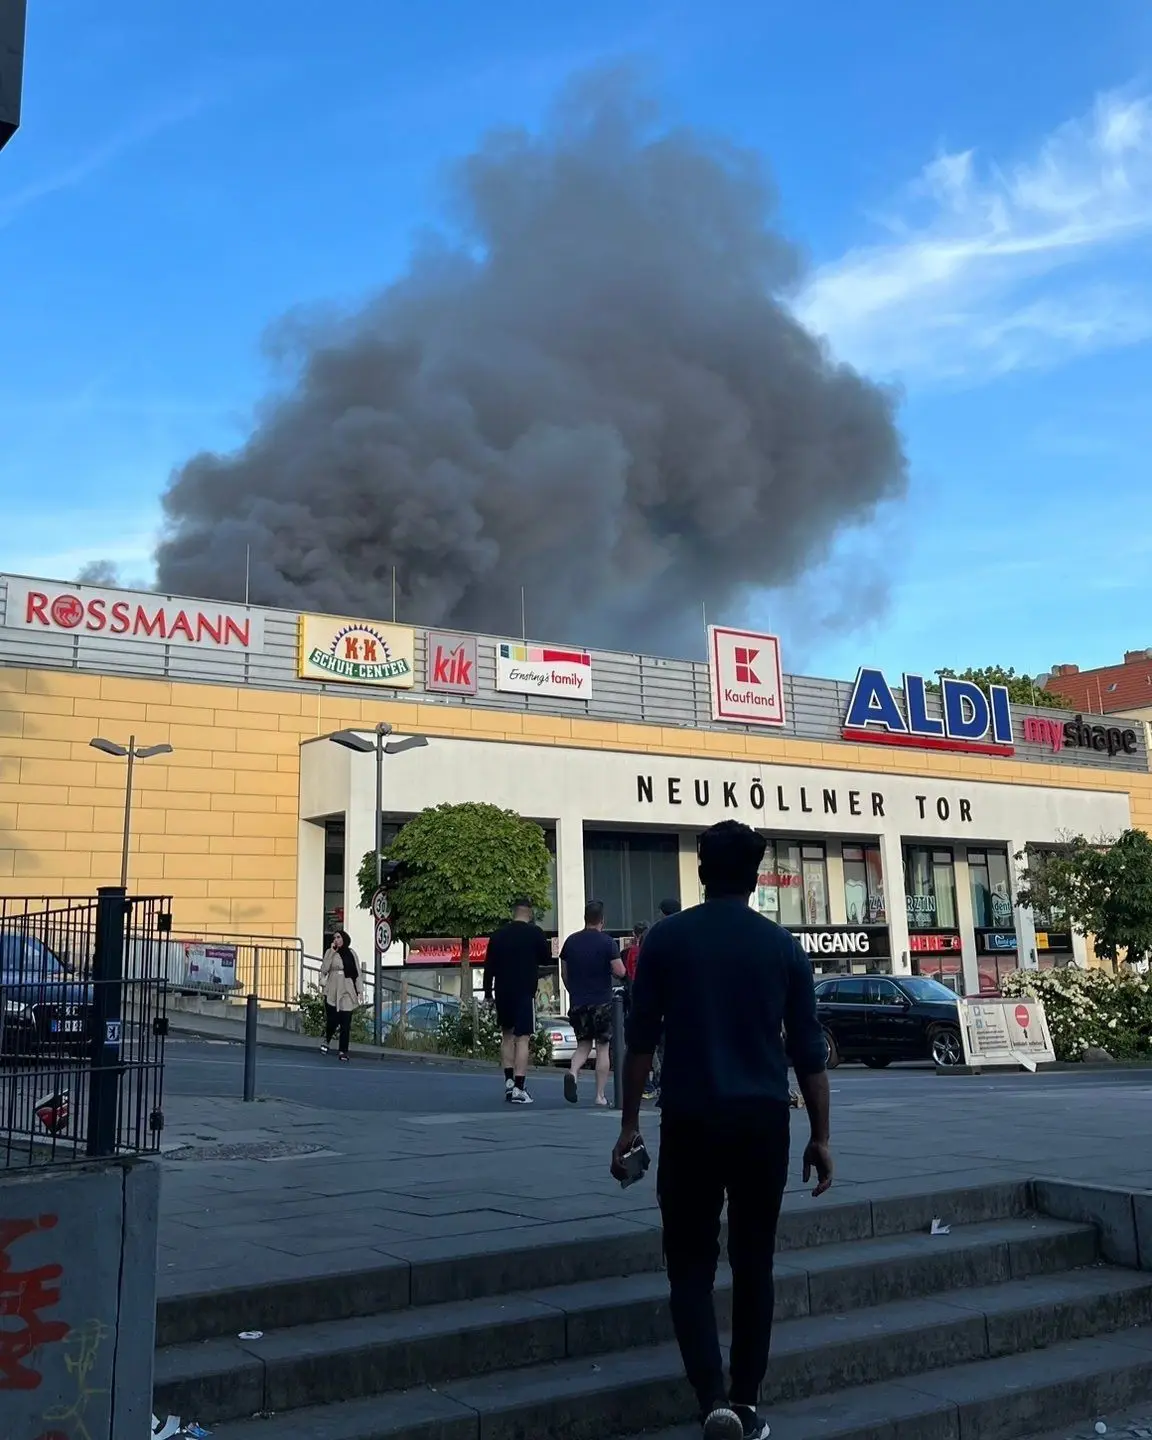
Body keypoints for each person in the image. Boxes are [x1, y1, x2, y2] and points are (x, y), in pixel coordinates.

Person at [611, 821, 833, 1440]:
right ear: (757, 875)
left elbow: (640, 1044)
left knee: (689, 1265)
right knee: (754, 1263)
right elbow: (809, 1053)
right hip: (763, 1122)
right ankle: (749, 1401)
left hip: (690, 1119)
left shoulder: (666, 941)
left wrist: (629, 1123)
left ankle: (713, 1401)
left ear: (703, 871)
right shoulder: (783, 948)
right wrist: (821, 1136)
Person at [483, 898, 551, 1105]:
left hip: (503, 991)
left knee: (507, 1035)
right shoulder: (535, 933)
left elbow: (489, 967)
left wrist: (488, 993)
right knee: (523, 1038)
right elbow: (546, 959)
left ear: (513, 912)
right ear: (529, 913)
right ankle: (520, 1088)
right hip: (524, 992)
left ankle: (509, 1082)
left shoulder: (498, 935)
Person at [560, 901, 626, 1107]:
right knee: (603, 1047)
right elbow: (620, 971)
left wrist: (573, 990)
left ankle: (572, 1072)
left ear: (585, 918)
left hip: (579, 1002)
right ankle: (599, 1096)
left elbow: (564, 972)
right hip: (602, 1003)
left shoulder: (571, 942)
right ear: (602, 920)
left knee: (583, 1045)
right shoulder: (607, 943)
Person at [319, 930, 362, 1063]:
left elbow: (357, 973)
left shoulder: (351, 953)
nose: (336, 940)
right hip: (332, 988)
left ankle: (343, 1050)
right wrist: (331, 952)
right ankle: (327, 1039)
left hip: (347, 987)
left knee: (346, 1021)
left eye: (338, 937)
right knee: (333, 1019)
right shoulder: (330, 953)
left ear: (344, 938)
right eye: (334, 938)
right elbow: (324, 969)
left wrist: (359, 990)